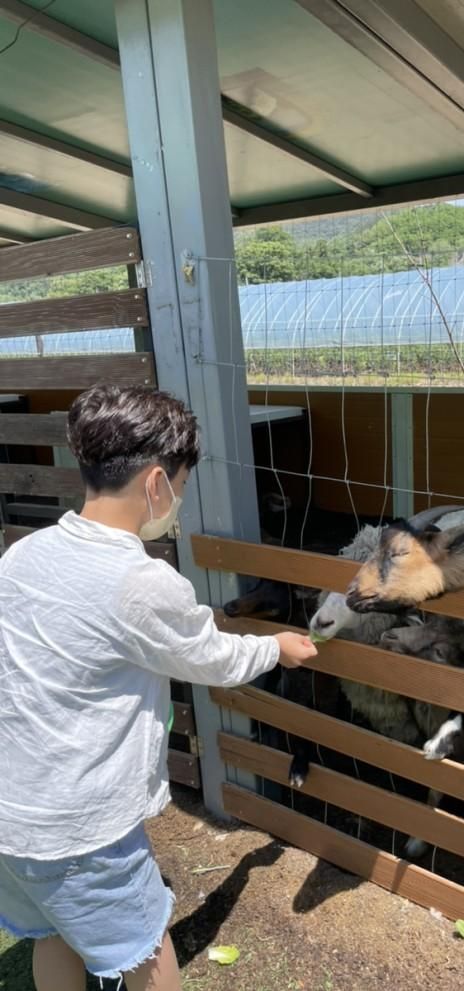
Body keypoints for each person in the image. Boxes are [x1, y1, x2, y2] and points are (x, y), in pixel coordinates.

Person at [0, 384, 317, 991]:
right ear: (155, 484)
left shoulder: (25, 553)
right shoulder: (140, 581)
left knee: (54, 932)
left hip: (14, 812)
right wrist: (275, 647)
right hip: (78, 826)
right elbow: (212, 656)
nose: (180, 501)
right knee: (144, 949)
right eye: (183, 485)